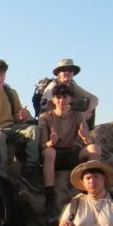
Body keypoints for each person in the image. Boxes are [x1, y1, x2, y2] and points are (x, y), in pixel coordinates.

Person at [0, 59, 41, 191]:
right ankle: (1, 176)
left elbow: (16, 115)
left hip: (11, 127)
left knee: (33, 129)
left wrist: (20, 116)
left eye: (2, 75)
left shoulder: (11, 93)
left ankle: (31, 169)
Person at [40, 83, 102, 218]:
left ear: (70, 99)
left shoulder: (77, 116)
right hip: (54, 157)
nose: (61, 101)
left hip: (71, 154)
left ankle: (91, 192)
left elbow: (88, 142)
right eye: (58, 97)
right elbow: (42, 146)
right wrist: (51, 142)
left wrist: (86, 138)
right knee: (50, 152)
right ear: (53, 100)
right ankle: (50, 199)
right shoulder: (46, 117)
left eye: (65, 97)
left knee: (95, 149)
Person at [39, 58, 99, 129]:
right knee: (77, 102)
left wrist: (87, 111)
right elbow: (54, 107)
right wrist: (80, 115)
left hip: (66, 116)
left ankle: (87, 131)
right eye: (64, 70)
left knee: (86, 102)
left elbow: (94, 98)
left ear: (73, 73)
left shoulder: (72, 85)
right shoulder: (52, 86)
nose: (67, 72)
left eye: (70, 70)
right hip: (51, 119)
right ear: (59, 73)